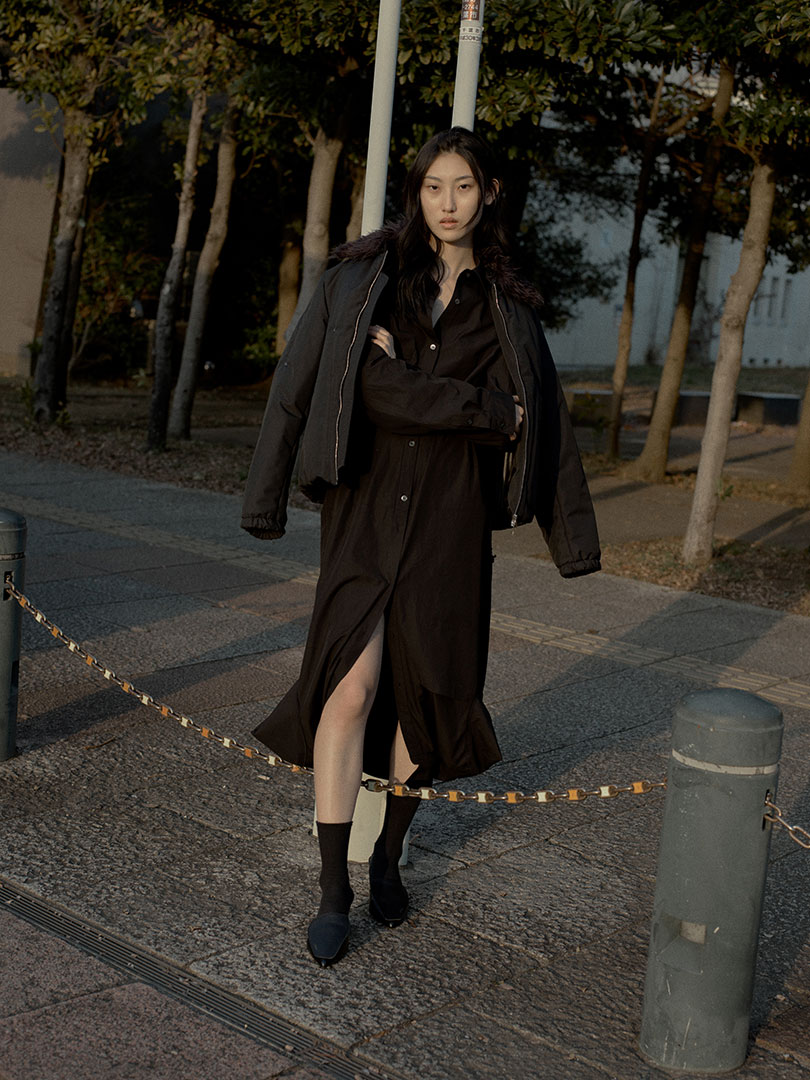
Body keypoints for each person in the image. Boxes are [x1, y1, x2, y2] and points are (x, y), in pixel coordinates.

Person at [241, 127, 601, 967]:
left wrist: (573, 540)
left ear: (489, 193)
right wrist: (483, 410)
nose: (448, 203)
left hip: (451, 521)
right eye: (434, 186)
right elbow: (326, 385)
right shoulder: (363, 279)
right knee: (346, 690)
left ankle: (388, 856)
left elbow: (545, 421)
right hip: (365, 511)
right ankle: (333, 889)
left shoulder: (509, 306)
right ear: (415, 193)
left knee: (429, 704)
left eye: (463, 186)